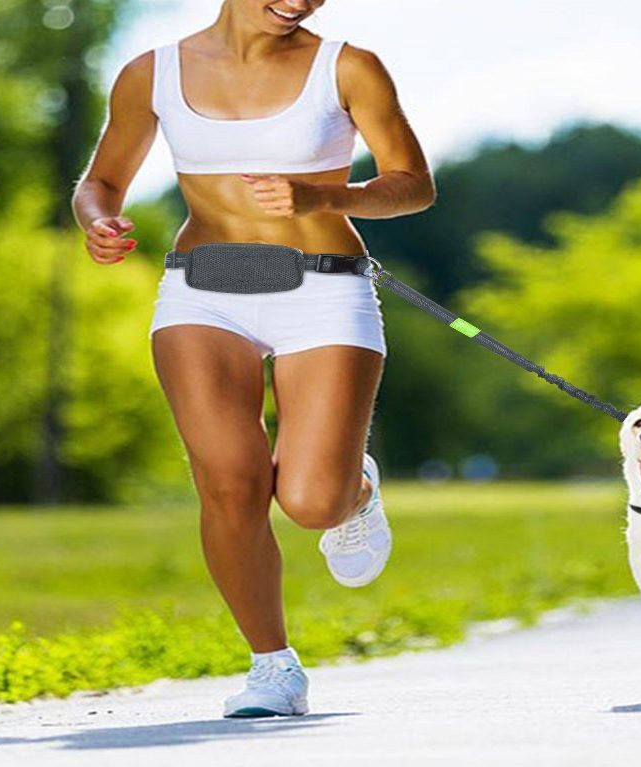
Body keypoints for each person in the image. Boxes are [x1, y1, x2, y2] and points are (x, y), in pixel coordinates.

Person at [70, 0, 435, 718]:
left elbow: (413, 184)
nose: (300, 1)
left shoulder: (348, 67)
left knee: (310, 501)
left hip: (322, 287)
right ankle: (274, 667)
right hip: (205, 290)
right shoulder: (155, 73)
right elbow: (101, 180)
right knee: (230, 482)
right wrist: (98, 222)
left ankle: (352, 491)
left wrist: (322, 194)